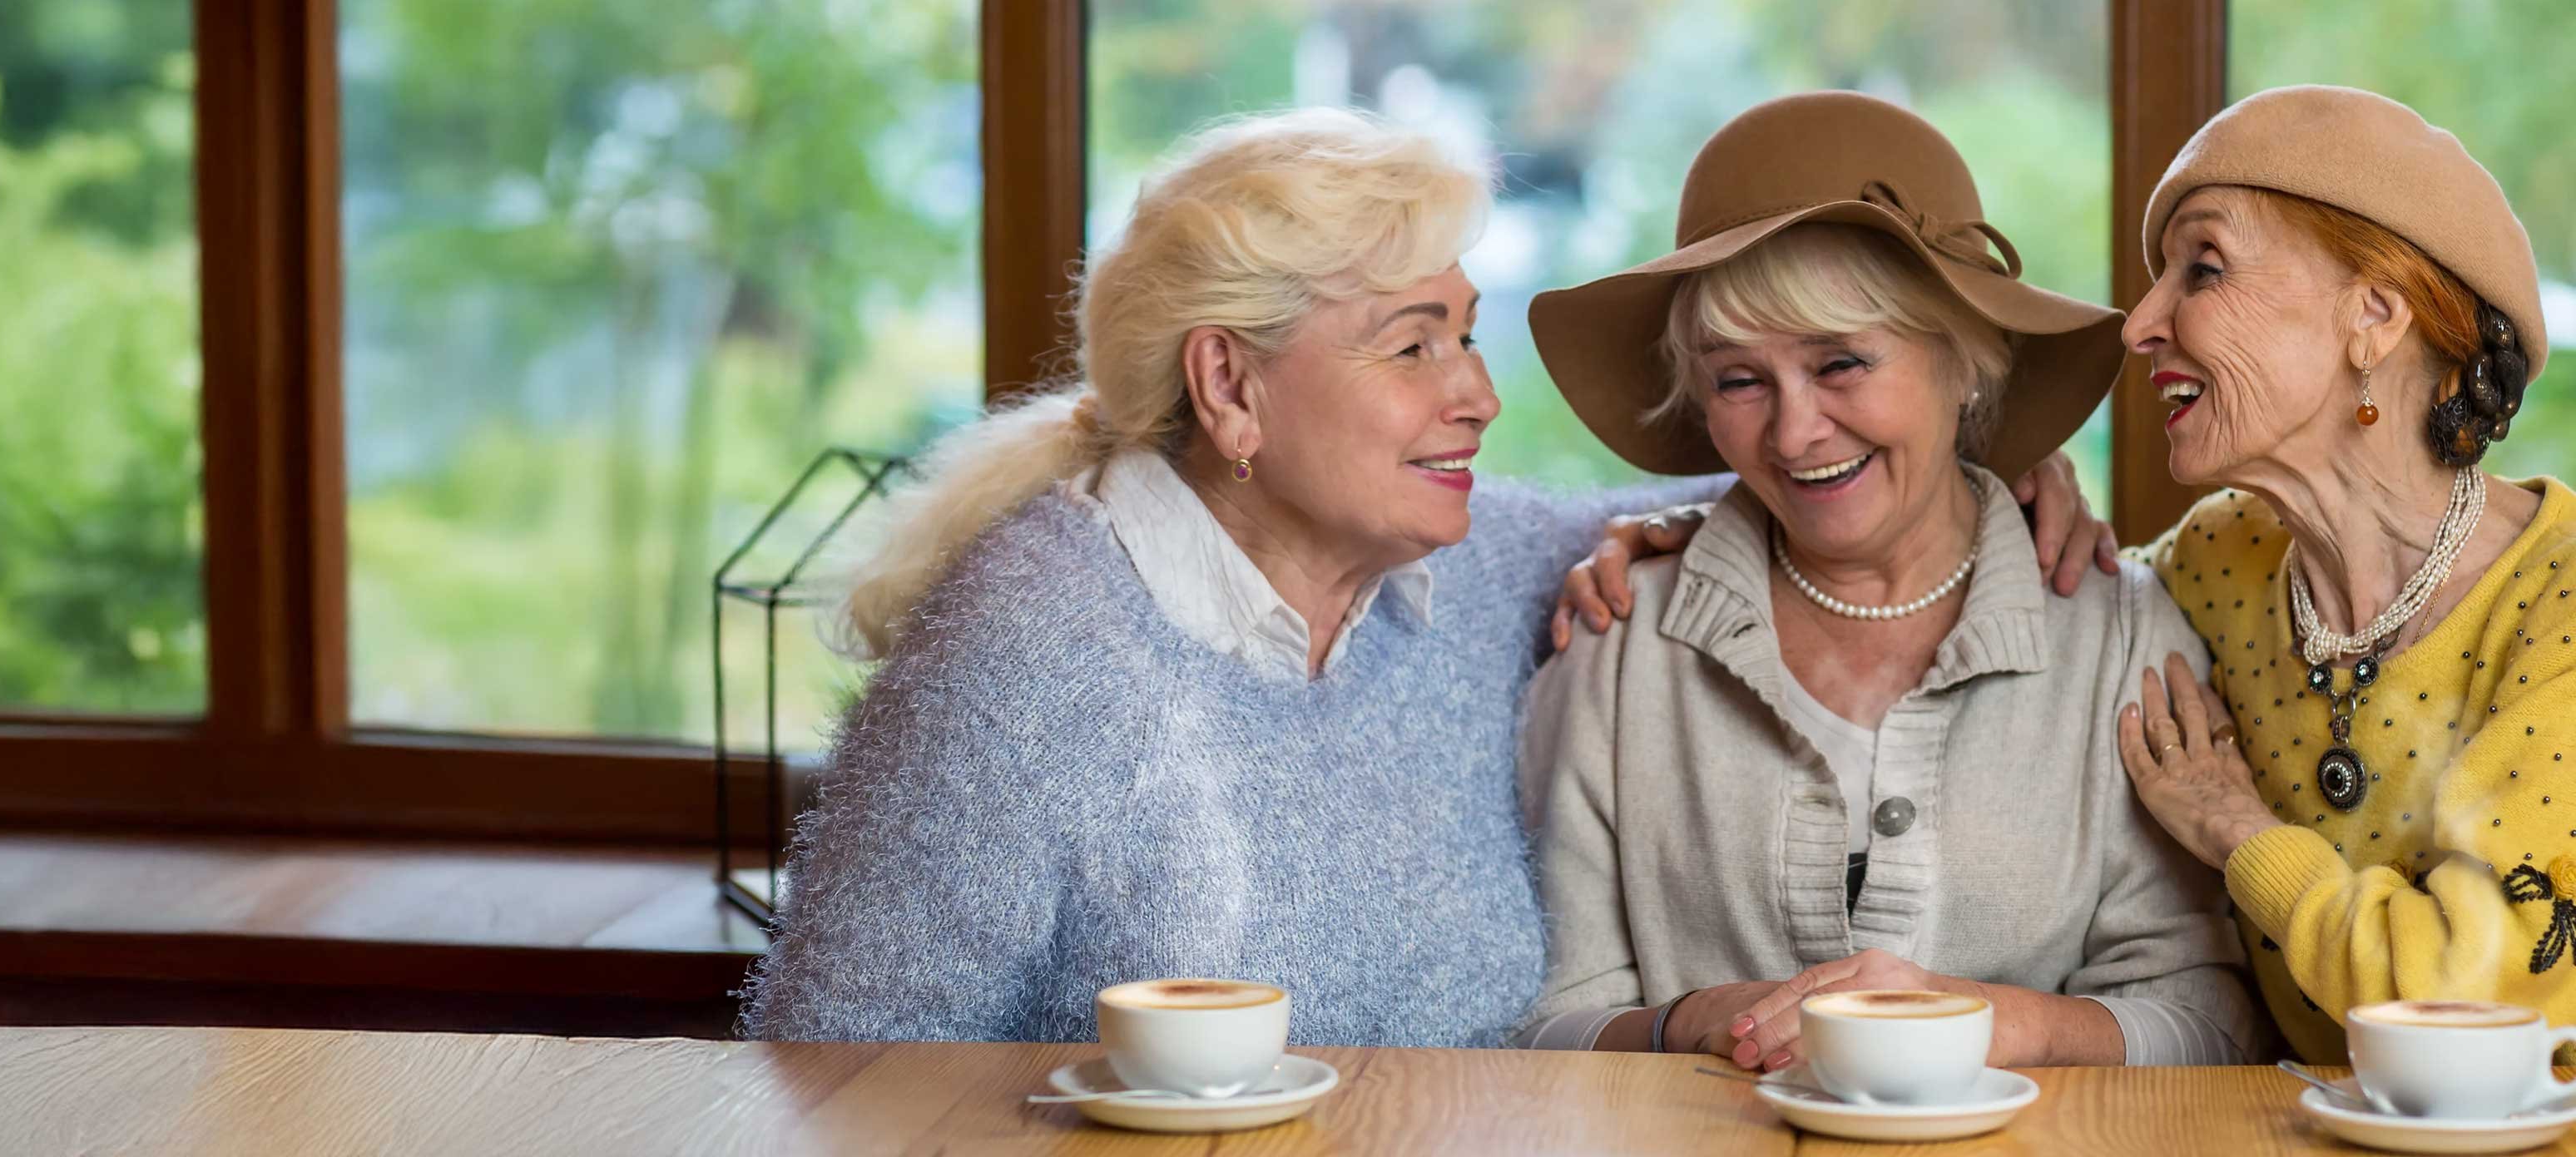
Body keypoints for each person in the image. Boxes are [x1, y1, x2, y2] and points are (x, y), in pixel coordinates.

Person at [739, 107, 2108, 1048]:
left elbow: (1802, 482)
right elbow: (835, 1077)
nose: (1478, 395)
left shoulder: (1473, 566)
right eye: (1413, 347)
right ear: (1230, 385)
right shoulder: (1026, 652)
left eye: (1468, 333)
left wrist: (1988, 470)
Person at [1518, 91, 2256, 1070]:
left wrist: (2001, 1021)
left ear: (1966, 364)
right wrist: (1697, 1019)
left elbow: (2210, 1021)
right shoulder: (1615, 646)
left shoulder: (2119, 638)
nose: (1792, 433)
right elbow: (1543, 1024)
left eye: (1841, 363)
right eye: (1739, 380)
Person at [2107, 85, 2576, 1065]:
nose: (2140, 323)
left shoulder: (2559, 602)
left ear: (2372, 315)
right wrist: (2021, 505)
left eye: (2202, 268)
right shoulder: (2219, 554)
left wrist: (2239, 830)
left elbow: (2462, 999)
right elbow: (2068, 615)